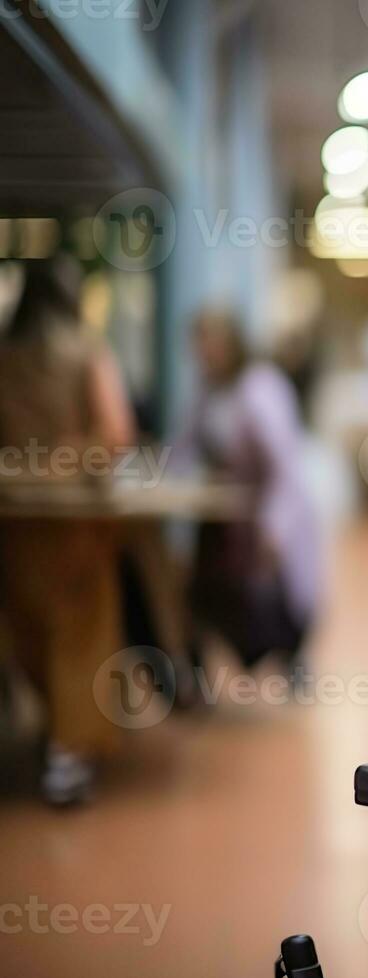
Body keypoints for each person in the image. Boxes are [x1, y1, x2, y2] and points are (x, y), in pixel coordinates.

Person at [0, 257, 137, 805]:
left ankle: (48, 735)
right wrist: (67, 461)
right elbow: (115, 433)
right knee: (80, 635)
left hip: (14, 517)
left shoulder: (6, 357)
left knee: (29, 627)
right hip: (74, 519)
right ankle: (68, 754)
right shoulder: (85, 351)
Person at [182, 309, 320, 681]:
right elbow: (188, 445)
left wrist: (275, 528)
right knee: (209, 593)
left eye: (211, 343)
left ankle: (291, 662)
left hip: (266, 512)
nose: (204, 353)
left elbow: (283, 467)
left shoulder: (261, 389)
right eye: (199, 345)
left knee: (274, 597)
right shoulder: (209, 388)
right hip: (225, 514)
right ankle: (194, 675)